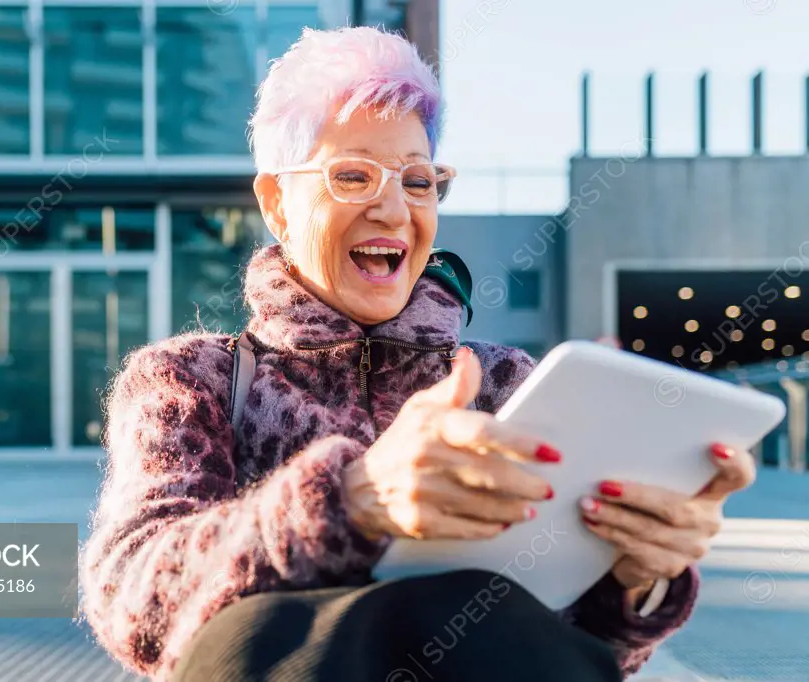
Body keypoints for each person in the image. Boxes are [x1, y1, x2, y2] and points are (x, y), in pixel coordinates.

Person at [80, 26, 754, 682]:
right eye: (353, 176)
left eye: (418, 180)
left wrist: (637, 578)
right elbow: (134, 599)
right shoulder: (191, 382)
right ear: (277, 203)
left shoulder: (511, 386)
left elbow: (570, 648)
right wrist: (349, 501)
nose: (393, 209)